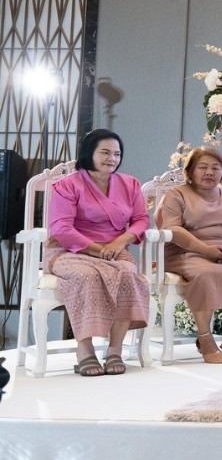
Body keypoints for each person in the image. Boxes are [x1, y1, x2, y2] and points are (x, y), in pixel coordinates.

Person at [46, 129, 150, 377]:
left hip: (114, 250)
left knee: (128, 275)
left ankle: (115, 349)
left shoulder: (130, 184)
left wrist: (120, 242)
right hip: (70, 250)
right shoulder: (67, 185)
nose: (112, 158)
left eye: (117, 154)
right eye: (105, 152)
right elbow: (61, 228)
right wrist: (99, 249)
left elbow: (141, 220)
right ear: (88, 152)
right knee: (87, 276)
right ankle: (84, 350)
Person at [157, 147, 222, 363]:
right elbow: (172, 229)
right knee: (204, 273)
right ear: (190, 171)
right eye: (202, 167)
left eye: (215, 168)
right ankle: (205, 338)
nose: (209, 172)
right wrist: (205, 250)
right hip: (187, 251)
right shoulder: (176, 194)